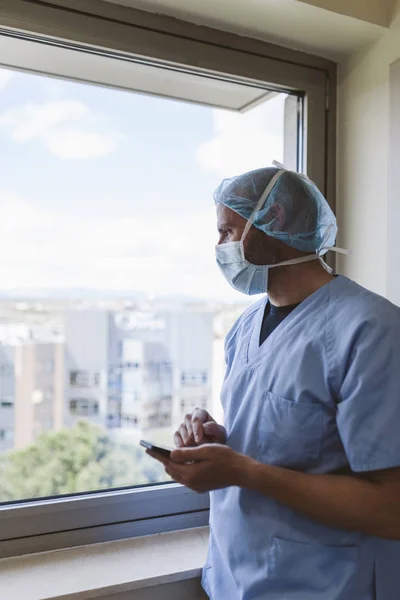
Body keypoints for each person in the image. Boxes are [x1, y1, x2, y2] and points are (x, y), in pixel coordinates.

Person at [147, 166, 400, 600]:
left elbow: (391, 508)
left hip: (325, 583)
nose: (219, 248)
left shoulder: (371, 330)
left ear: (275, 220)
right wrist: (218, 440)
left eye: (227, 232)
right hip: (235, 574)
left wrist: (244, 471)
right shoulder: (245, 327)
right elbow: (283, 442)